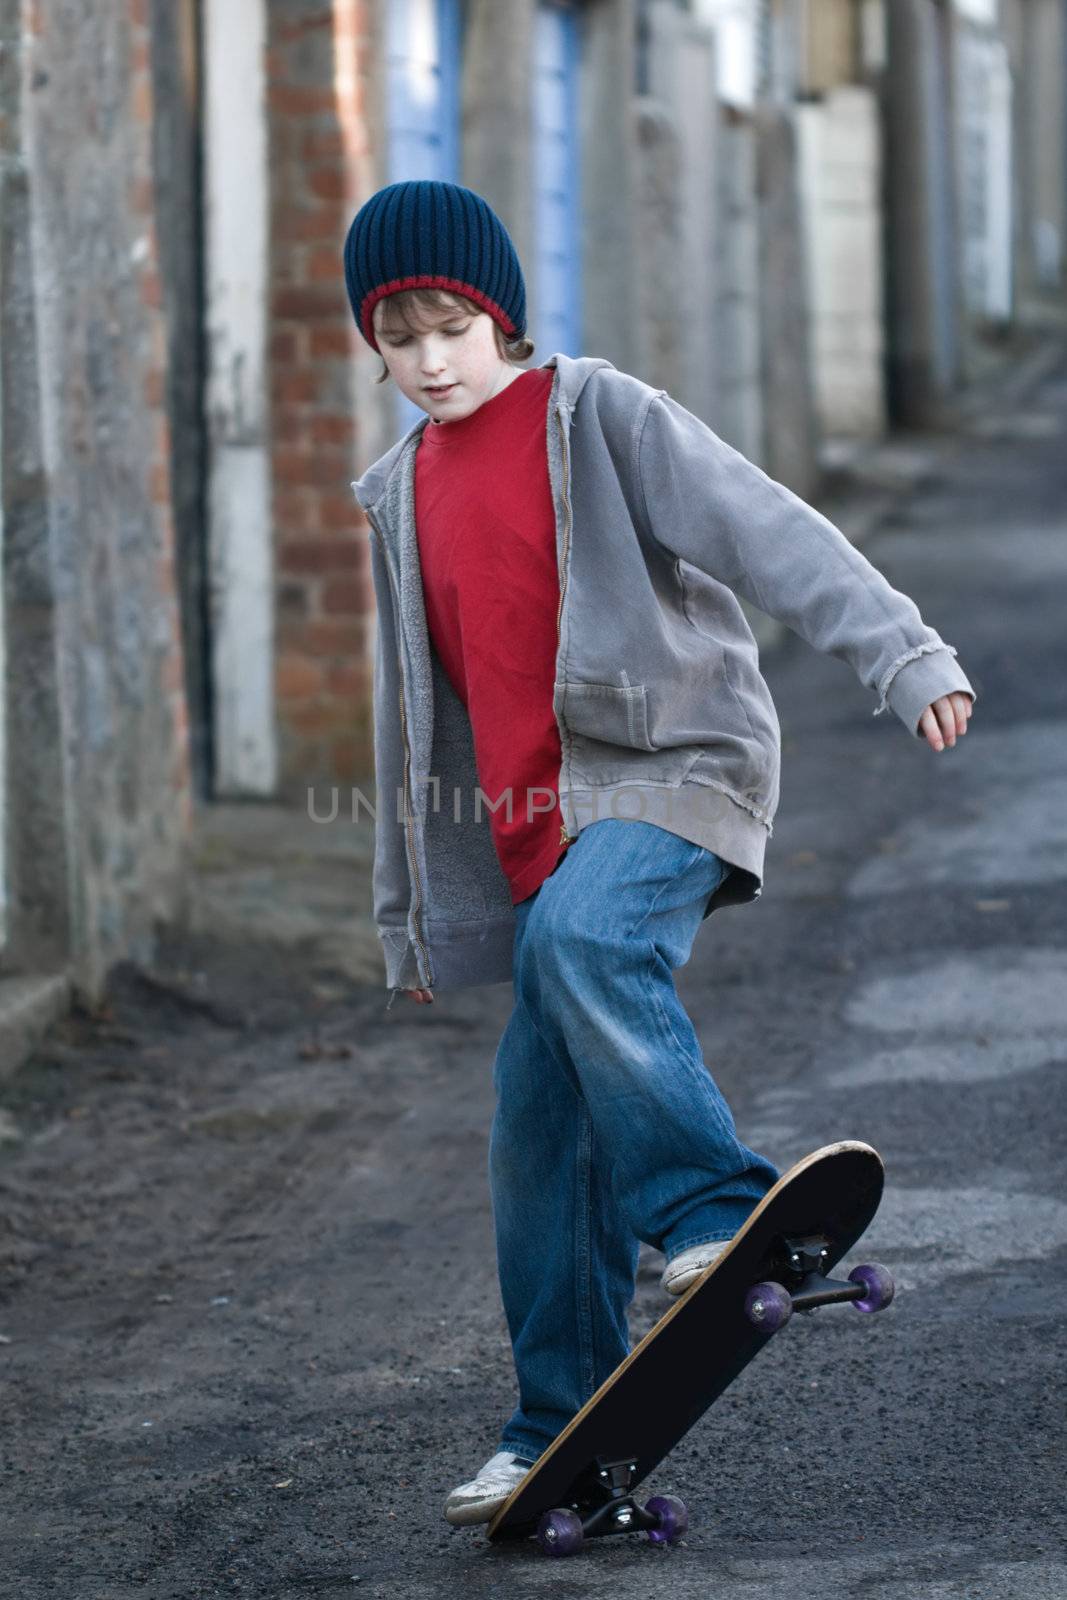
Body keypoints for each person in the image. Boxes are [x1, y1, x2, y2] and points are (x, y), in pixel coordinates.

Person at [342, 180, 976, 1527]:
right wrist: (413, 918)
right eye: (399, 338)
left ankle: (716, 1207)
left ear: (501, 317)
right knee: (534, 1142)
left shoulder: (596, 417)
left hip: (674, 773)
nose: (431, 360)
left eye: (454, 325)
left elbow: (766, 529)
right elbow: (412, 725)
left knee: (586, 943)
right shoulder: (398, 490)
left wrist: (901, 651)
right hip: (532, 841)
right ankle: (553, 1422)